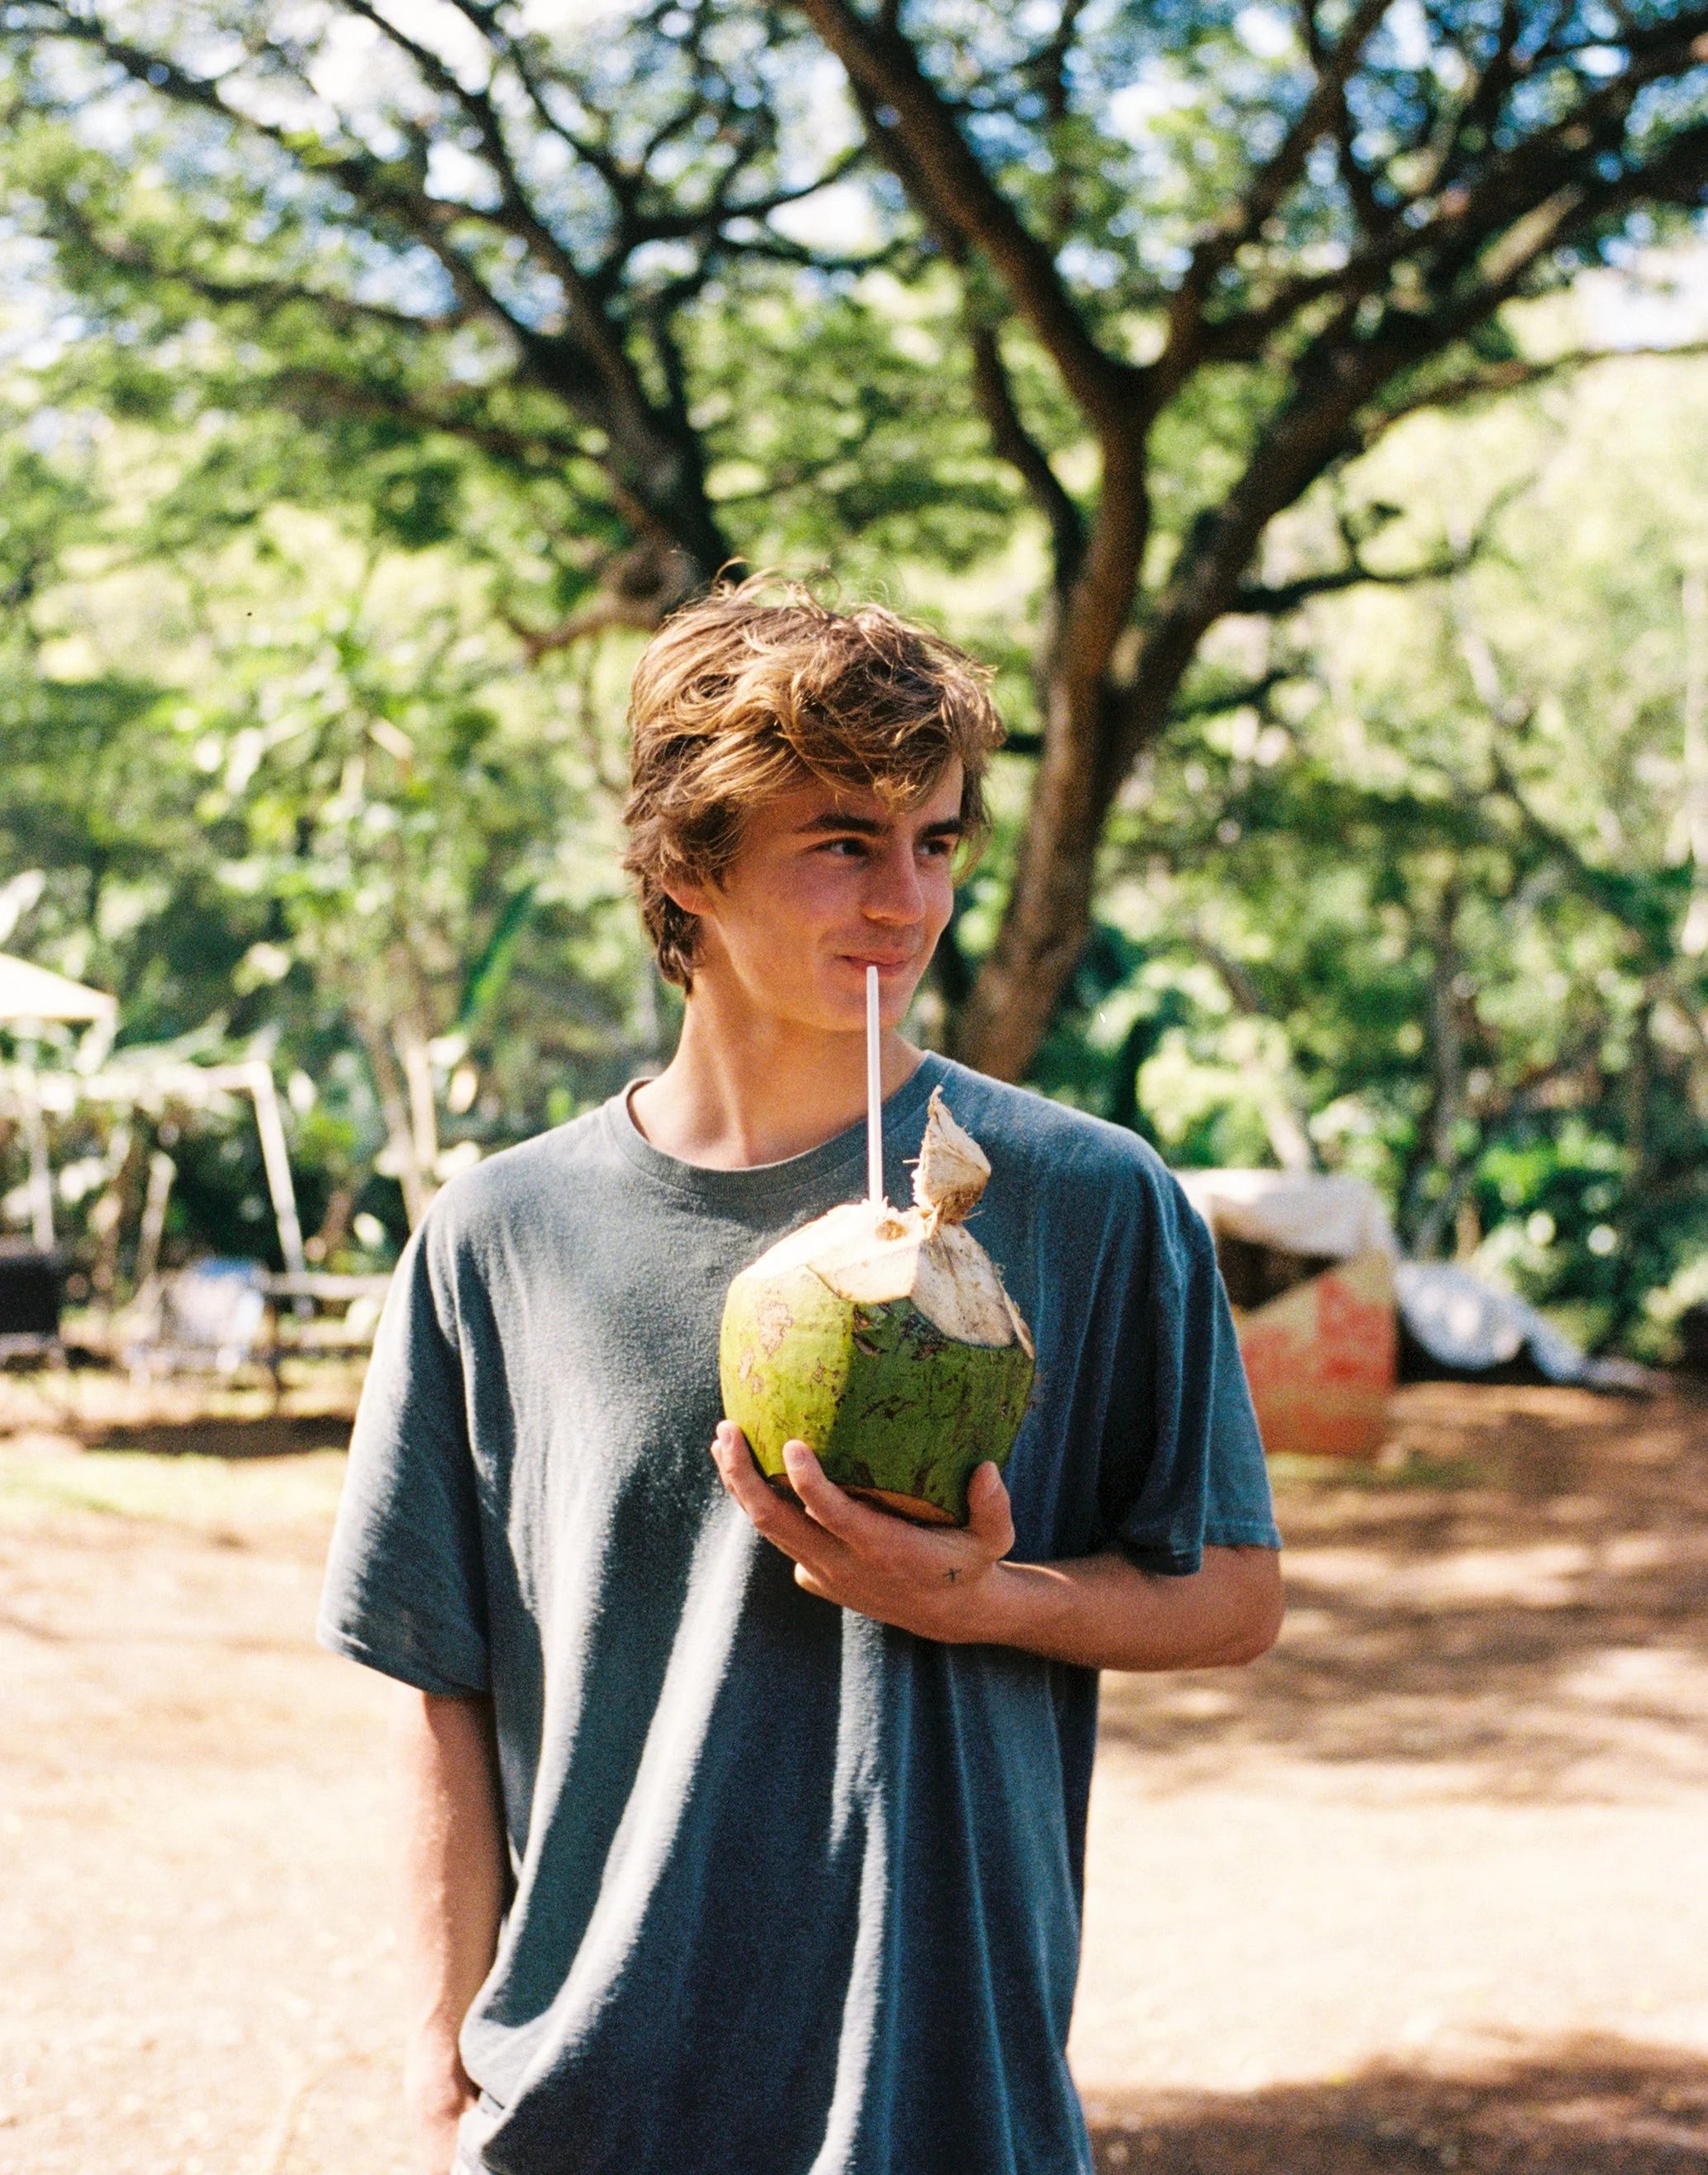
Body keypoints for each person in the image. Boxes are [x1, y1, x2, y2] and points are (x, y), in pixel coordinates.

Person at [318, 577, 1284, 2175]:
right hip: (586, 2100)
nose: (904, 900)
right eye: (842, 839)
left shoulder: (1086, 1200)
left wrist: (992, 1602)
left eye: (939, 841)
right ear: (686, 861)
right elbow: (445, 1677)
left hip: (942, 2096)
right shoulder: (498, 1238)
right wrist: (437, 2071)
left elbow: (1232, 1595)